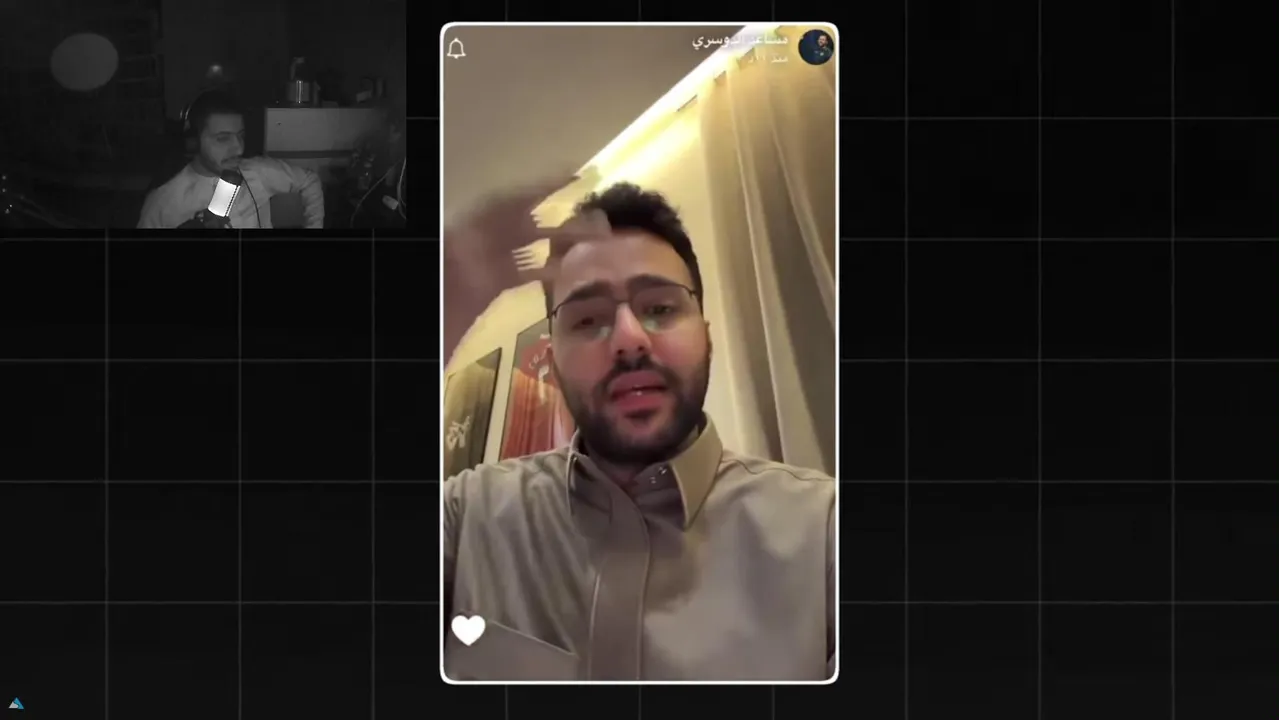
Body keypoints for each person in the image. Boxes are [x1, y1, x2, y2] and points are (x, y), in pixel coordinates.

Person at [442, 178, 835, 682]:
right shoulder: (465, 518)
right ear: (552, 360)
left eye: (661, 309)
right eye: (588, 319)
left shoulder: (825, 533)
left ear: (706, 335)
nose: (629, 340)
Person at [137, 91, 324, 228]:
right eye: (223, 138)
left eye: (240, 135)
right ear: (193, 142)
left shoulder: (257, 172)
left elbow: (309, 181)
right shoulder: (163, 202)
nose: (239, 148)